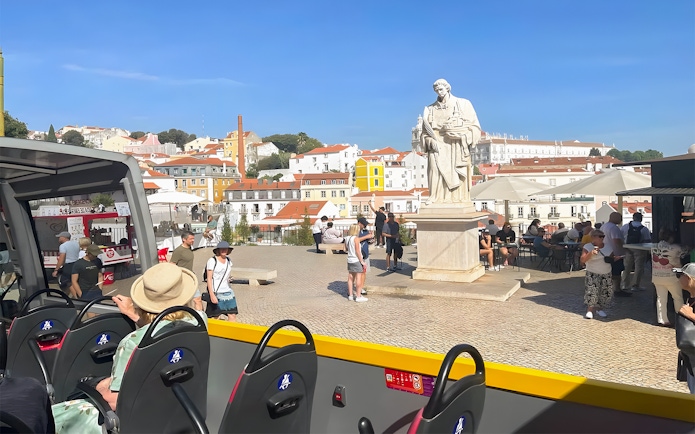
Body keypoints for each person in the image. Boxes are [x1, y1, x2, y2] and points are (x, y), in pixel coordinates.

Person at [52, 262, 205, 432]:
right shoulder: (200, 322)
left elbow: (115, 401)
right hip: (177, 412)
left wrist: (96, 385)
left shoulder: (132, 342)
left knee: (53, 416)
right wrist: (136, 317)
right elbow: (165, 327)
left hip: (135, 422)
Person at [417, 78, 482, 204]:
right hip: (436, 146)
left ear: (448, 88)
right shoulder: (430, 109)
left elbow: (475, 127)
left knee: (456, 174)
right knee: (434, 171)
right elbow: (424, 134)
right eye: (436, 90)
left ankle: (456, 198)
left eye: (441, 89)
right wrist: (429, 141)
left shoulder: (463, 104)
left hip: (456, 145)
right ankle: (435, 197)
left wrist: (463, 136)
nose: (439, 92)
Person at [651, 229, 688, 326]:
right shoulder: (675, 248)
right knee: (678, 298)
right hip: (671, 277)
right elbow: (684, 253)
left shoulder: (653, 247)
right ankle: (680, 319)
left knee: (661, 298)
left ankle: (662, 320)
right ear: (671, 237)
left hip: (657, 276)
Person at [580, 230, 614, 319]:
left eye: (603, 236)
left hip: (606, 272)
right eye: (600, 236)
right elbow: (583, 260)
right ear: (593, 237)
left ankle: (599, 309)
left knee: (605, 292)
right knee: (592, 292)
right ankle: (590, 310)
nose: (602, 238)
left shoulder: (608, 247)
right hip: (593, 272)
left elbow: (611, 258)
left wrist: (615, 258)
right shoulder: (588, 247)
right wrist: (591, 253)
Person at [205, 241, 237, 322]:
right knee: (216, 316)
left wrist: (229, 278)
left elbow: (227, 274)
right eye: (221, 249)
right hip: (217, 292)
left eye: (225, 249)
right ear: (218, 250)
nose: (223, 250)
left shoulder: (229, 261)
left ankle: (230, 333)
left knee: (232, 315)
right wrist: (212, 295)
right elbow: (209, 278)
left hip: (228, 291)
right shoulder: (212, 261)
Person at [170, 231, 202, 310]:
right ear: (184, 239)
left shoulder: (190, 248)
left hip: (191, 278)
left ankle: (201, 318)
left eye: (193, 239)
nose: (193, 241)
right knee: (184, 302)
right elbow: (172, 265)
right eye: (191, 239)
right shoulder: (178, 251)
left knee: (198, 299)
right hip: (183, 279)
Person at [676, 263, 695, 394]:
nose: (678, 278)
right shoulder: (691, 297)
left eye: (680, 275)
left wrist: (690, 315)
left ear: (690, 279)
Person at [621, 212, 652, 292]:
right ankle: (635, 285)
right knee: (639, 267)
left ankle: (625, 284)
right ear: (641, 218)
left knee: (626, 266)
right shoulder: (644, 229)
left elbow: (621, 237)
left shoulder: (625, 227)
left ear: (633, 217)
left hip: (627, 248)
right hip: (639, 249)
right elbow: (647, 240)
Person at [601, 212, 629, 297]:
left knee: (608, 271)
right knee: (616, 273)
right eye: (620, 218)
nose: (621, 220)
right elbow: (616, 240)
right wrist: (624, 248)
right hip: (616, 253)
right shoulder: (614, 228)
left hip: (605, 252)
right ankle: (617, 289)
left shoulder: (603, 226)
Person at [52, 232, 81, 297]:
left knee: (67, 282)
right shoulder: (76, 244)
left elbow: (62, 258)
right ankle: (77, 295)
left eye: (60, 237)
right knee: (75, 281)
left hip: (68, 265)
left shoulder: (63, 246)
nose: (59, 239)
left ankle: (75, 297)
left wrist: (56, 269)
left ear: (63, 237)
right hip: (76, 263)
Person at [344, 224, 368, 302]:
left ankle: (350, 295)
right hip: (356, 260)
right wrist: (362, 261)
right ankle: (358, 296)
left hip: (349, 259)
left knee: (350, 277)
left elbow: (345, 249)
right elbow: (358, 251)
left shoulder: (347, 238)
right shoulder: (356, 239)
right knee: (358, 277)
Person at [356, 217, 373, 296]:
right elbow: (356, 240)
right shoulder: (355, 231)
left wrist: (371, 238)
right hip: (357, 255)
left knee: (364, 272)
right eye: (364, 224)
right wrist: (366, 237)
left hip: (365, 254)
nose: (365, 226)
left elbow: (369, 241)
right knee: (356, 273)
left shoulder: (366, 231)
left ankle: (361, 287)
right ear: (359, 223)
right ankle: (356, 288)